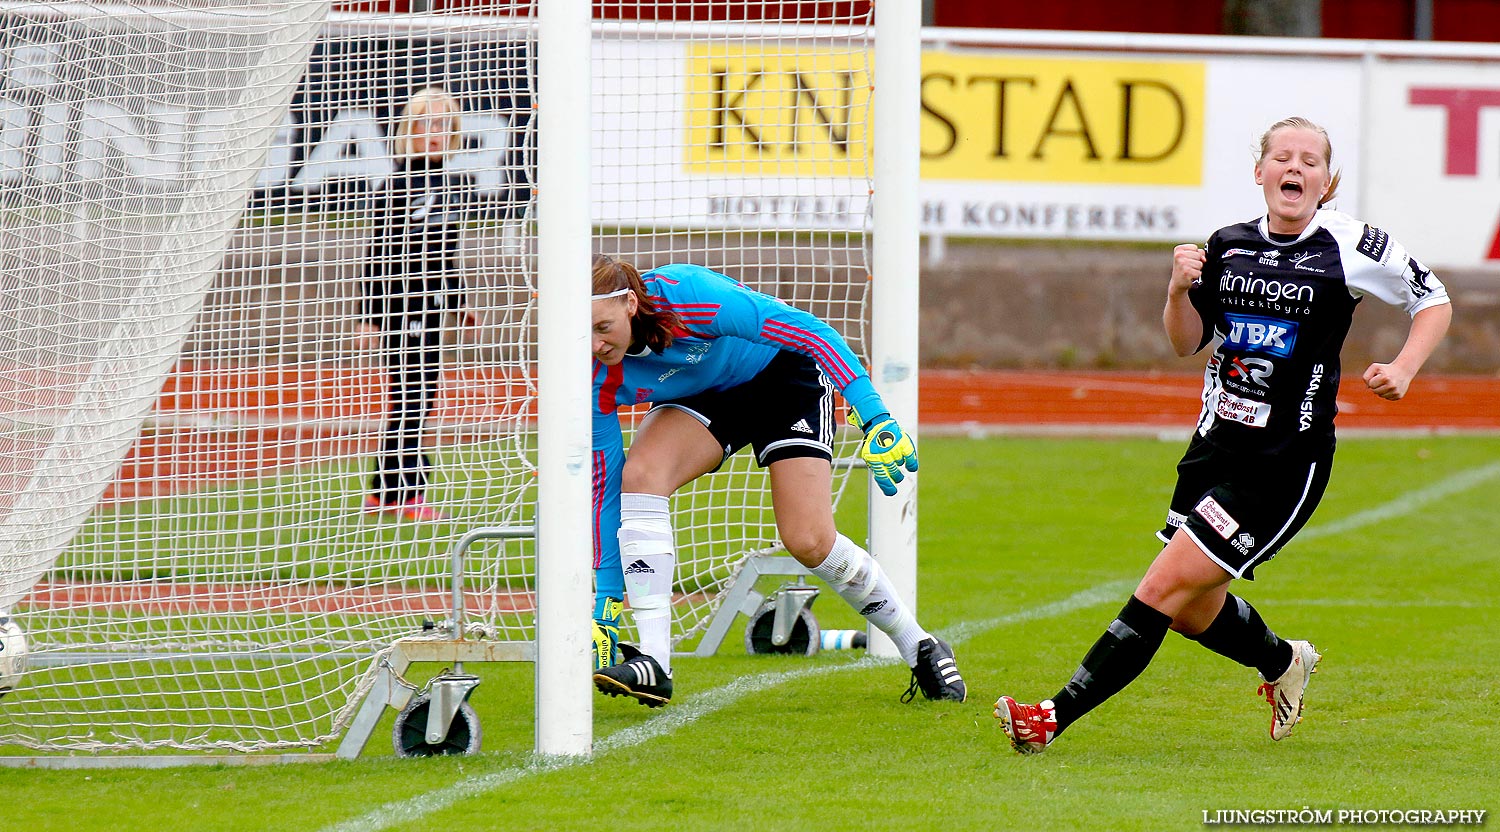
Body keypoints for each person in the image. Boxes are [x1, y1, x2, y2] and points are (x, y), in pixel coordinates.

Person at [994, 116, 1453, 753]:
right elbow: (1187, 341)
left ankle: (1049, 717)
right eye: (1282, 158)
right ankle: (1282, 662)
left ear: (1326, 180)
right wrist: (1179, 288)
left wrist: (1403, 367)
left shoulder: (1350, 245)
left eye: (1310, 161)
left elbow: (1433, 298)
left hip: (1283, 461)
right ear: (1260, 171)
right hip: (1214, 446)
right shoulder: (1227, 244)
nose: (1295, 169)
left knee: (1159, 587)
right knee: (1187, 609)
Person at [588, 254, 967, 707]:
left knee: (808, 541)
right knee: (639, 476)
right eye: (582, 334)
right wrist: (608, 601)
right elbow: (605, 489)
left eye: (603, 327)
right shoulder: (588, 376)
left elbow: (811, 331)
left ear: (630, 303)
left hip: (783, 377)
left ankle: (918, 643)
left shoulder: (689, 296)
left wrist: (875, 417)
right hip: (707, 397)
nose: (595, 345)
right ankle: (656, 662)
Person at [357, 86, 477, 522]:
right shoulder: (397, 183)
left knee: (418, 400)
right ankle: (407, 492)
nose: (435, 133)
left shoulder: (453, 183)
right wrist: (371, 316)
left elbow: (444, 251)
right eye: (426, 123)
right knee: (412, 399)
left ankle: (383, 493)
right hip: (399, 308)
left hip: (430, 309)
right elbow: (378, 253)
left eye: (444, 125)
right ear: (409, 129)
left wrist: (459, 302)